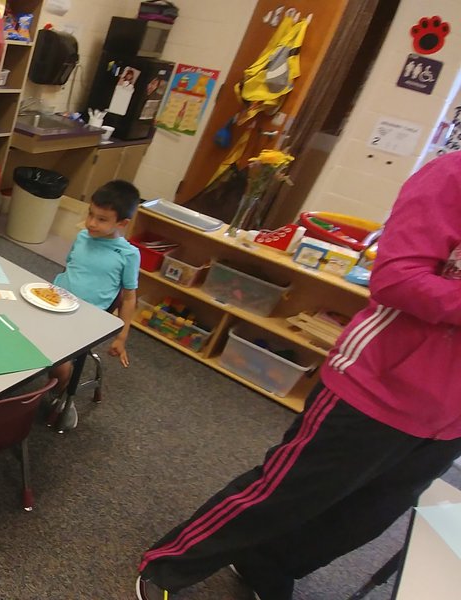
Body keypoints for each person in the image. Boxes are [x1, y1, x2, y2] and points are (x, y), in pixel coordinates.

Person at [135, 151, 461, 600]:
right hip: (377, 388)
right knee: (284, 493)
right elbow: (396, 279)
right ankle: (169, 566)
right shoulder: (452, 175)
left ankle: (267, 564)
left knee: (366, 516)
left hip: (448, 421)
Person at [49, 180, 141, 430]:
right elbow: (70, 269)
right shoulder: (82, 237)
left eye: (102, 219)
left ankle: (61, 393)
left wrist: (122, 335)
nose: (91, 223)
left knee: (59, 365)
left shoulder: (128, 255)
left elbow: (129, 297)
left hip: (84, 320)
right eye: (91, 214)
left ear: (122, 223)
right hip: (56, 301)